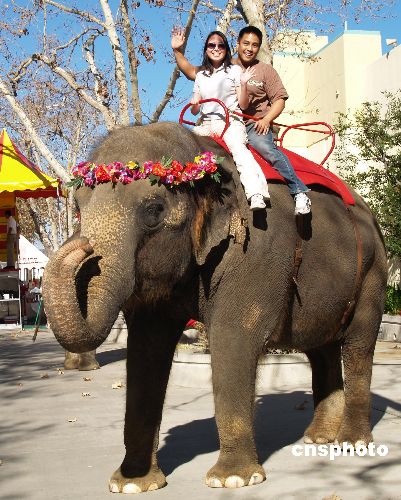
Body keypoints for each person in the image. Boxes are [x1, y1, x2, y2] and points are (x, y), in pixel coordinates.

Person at [171, 26, 312, 215]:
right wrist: (177, 51)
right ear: (237, 44)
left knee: (264, 148)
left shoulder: (264, 70)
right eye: (246, 43)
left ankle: (298, 191)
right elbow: (192, 72)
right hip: (217, 122)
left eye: (255, 45)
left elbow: (279, 100)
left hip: (253, 123)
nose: (249, 48)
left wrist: (267, 119)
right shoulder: (225, 66)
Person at [189, 30, 270, 211]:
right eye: (212, 45)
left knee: (239, 149)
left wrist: (243, 84)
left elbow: (242, 104)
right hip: (206, 123)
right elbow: (195, 111)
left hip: (230, 120)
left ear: (226, 49)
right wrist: (194, 102)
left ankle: (255, 193)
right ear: (206, 49)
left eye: (221, 45)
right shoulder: (201, 75)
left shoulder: (234, 70)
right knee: (187, 145)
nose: (216, 48)